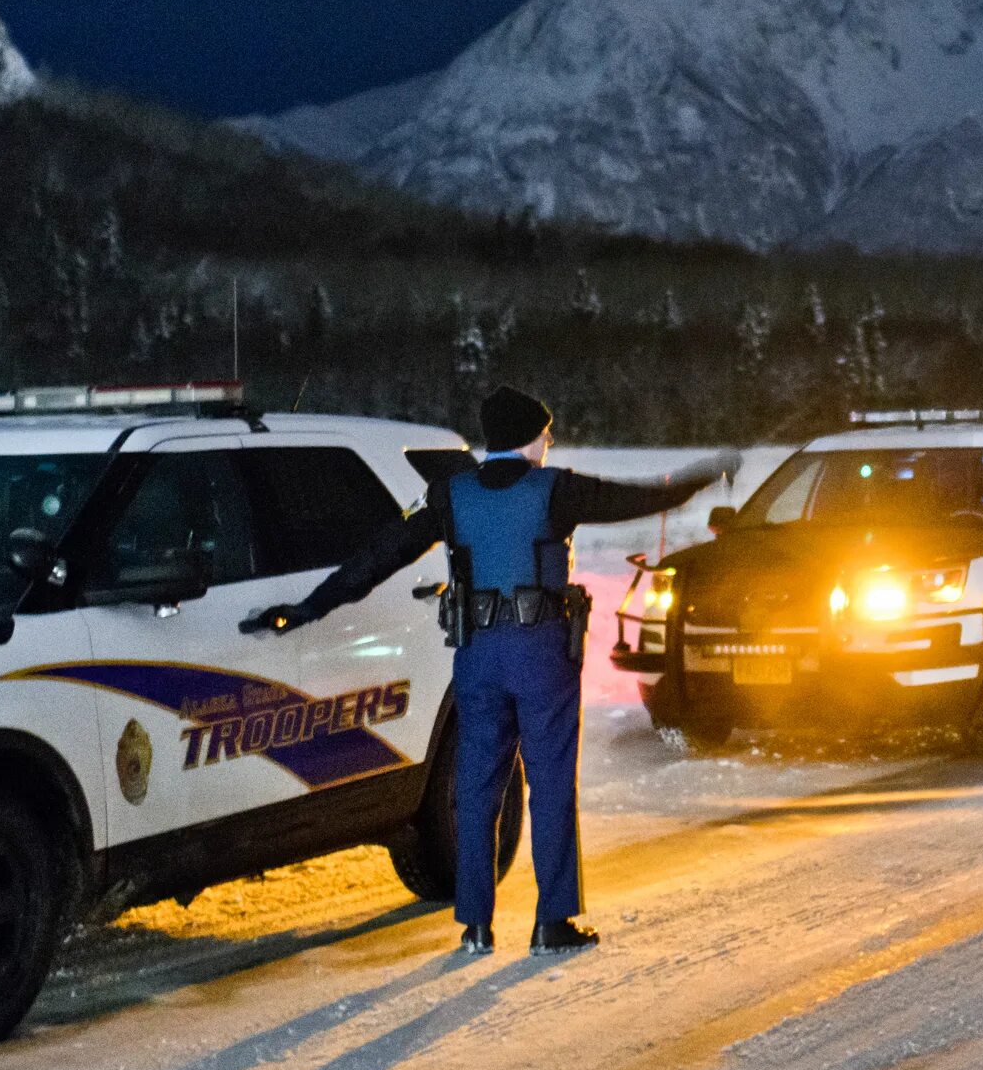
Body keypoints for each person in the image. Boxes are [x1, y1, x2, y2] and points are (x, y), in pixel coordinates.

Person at [247, 386, 738, 956]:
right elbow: (637, 499)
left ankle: (475, 924)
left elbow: (378, 557)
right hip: (542, 657)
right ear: (530, 438)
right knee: (550, 785)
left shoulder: (450, 496)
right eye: (546, 434)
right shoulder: (558, 490)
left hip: (478, 657)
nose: (550, 443)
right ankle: (552, 922)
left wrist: (308, 607)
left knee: (477, 788)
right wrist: (702, 477)